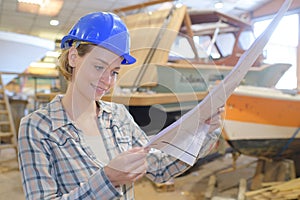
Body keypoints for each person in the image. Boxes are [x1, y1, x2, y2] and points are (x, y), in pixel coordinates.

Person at [18, 11, 222, 200]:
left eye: (114, 71)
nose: (107, 81)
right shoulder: (37, 127)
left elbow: (159, 167)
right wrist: (107, 179)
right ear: (73, 57)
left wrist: (204, 130)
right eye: (99, 67)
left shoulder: (118, 116)